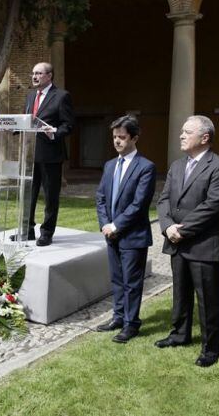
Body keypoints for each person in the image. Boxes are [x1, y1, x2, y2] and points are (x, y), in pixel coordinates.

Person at [155, 115, 219, 368]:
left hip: (204, 245)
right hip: (176, 242)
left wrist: (183, 230)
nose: (181, 135)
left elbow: (213, 206)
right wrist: (167, 227)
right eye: (182, 131)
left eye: (187, 131)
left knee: (209, 300)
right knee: (180, 294)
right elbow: (164, 199)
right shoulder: (177, 166)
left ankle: (211, 348)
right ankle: (179, 334)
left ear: (205, 137)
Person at [94, 115, 156, 343]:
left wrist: (116, 225)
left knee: (132, 283)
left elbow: (139, 205)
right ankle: (118, 317)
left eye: (122, 137)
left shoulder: (146, 167)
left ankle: (132, 324)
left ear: (134, 138)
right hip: (111, 235)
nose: (117, 141)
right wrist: (105, 224)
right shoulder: (110, 165)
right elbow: (100, 197)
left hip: (133, 236)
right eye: (114, 137)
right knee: (117, 280)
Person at [21, 62, 74, 246]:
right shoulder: (30, 96)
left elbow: (69, 125)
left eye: (39, 73)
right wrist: (12, 128)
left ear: (49, 76)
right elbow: (27, 120)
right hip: (29, 155)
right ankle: (26, 231)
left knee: (50, 197)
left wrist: (55, 132)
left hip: (51, 155)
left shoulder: (61, 96)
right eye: (33, 73)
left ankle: (47, 233)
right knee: (28, 194)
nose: (34, 77)